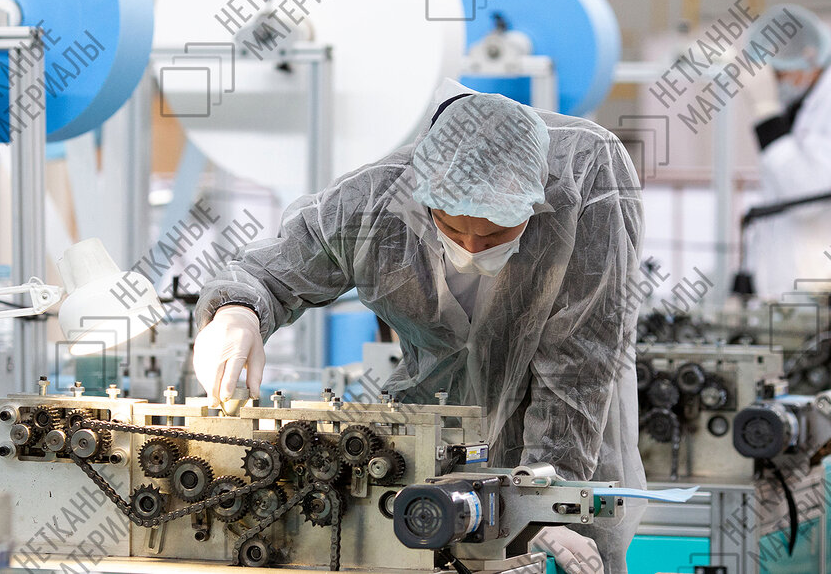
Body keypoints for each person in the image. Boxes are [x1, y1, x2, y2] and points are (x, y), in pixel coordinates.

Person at [192, 81, 647, 573]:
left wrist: (550, 498)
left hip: (571, 434)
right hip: (433, 431)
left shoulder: (588, 179)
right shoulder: (372, 203)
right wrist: (237, 311)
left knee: (561, 557)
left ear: (537, 204)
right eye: (452, 228)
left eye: (496, 232)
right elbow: (273, 271)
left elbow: (577, 364)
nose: (472, 248)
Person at [742, 4, 831, 297]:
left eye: (779, 73)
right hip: (790, 283)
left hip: (817, 282)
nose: (777, 84)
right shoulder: (801, 102)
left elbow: (808, 198)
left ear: (809, 56)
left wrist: (768, 120)